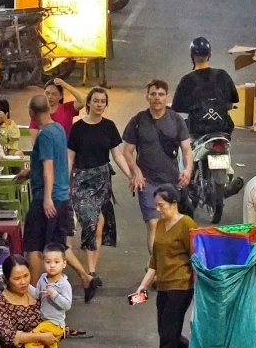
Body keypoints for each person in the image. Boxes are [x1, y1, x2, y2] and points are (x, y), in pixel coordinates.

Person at [131, 184, 196, 348]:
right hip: (163, 286)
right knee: (167, 332)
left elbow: (196, 256)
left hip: (181, 285)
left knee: (168, 336)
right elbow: (154, 261)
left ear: (174, 204)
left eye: (162, 205)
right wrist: (143, 285)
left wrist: (199, 286)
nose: (158, 209)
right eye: (156, 205)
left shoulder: (186, 224)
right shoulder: (159, 225)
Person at [68, 87, 133, 301]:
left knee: (99, 225)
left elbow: (117, 155)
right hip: (81, 180)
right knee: (89, 222)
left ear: (106, 104)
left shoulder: (109, 127)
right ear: (88, 103)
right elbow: (70, 157)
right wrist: (65, 183)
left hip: (102, 181)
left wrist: (131, 174)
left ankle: (91, 270)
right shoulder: (77, 128)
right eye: (95, 100)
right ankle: (90, 273)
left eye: (102, 101)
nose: (98, 104)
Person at [21, 93, 90, 288]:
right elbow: (54, 162)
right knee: (58, 245)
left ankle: (32, 293)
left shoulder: (44, 135)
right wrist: (28, 172)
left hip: (47, 197)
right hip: (62, 196)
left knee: (33, 247)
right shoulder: (59, 129)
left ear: (31, 112)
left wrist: (47, 199)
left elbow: (48, 168)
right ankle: (86, 278)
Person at [122, 79, 193, 247]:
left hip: (171, 181)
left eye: (161, 95)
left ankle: (166, 262)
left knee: (172, 224)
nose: (157, 98)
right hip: (147, 182)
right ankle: (156, 267)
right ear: (147, 97)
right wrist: (136, 173)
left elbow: (187, 150)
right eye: (153, 94)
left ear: (166, 97)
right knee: (154, 224)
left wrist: (188, 169)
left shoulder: (175, 119)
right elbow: (127, 152)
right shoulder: (138, 121)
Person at [24, 244, 72, 348]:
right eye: (48, 262)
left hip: (55, 323)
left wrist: (54, 295)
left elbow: (67, 305)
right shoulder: (43, 279)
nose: (52, 265)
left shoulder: (64, 284)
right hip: (45, 320)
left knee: (31, 340)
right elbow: (37, 295)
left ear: (64, 263)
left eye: (56, 262)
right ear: (43, 262)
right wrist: (26, 286)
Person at [172, 36, 239, 139]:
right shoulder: (223, 75)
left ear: (192, 56)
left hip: (198, 131)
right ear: (210, 55)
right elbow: (234, 99)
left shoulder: (186, 80)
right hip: (223, 128)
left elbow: (177, 109)